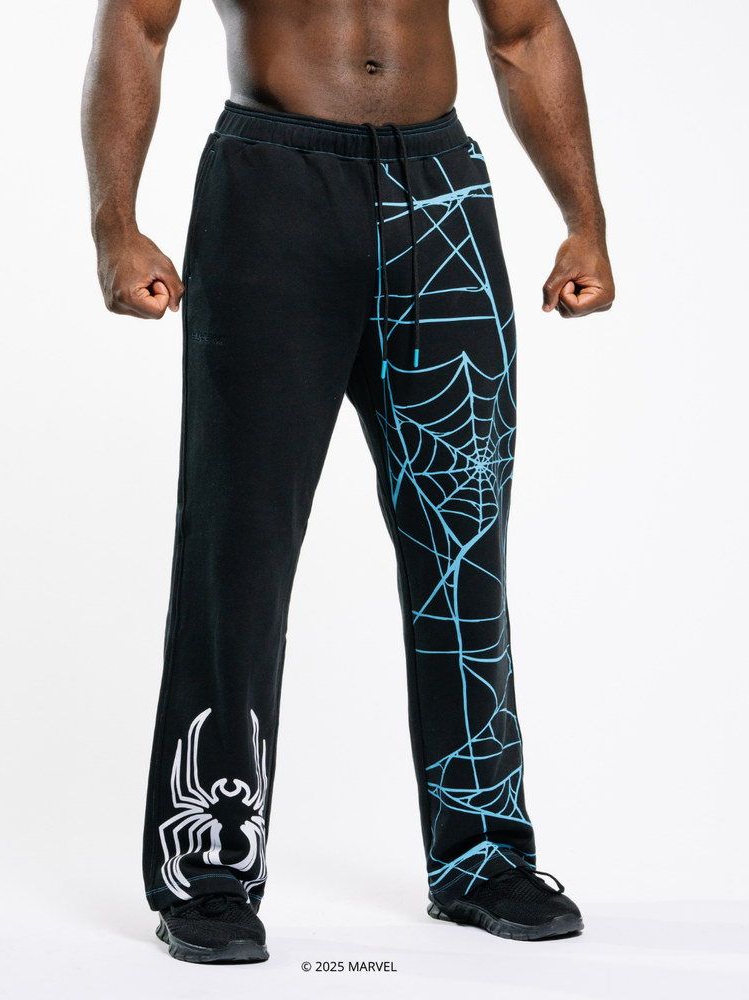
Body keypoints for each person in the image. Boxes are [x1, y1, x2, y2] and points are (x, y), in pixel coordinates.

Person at [82, 0, 615, 965]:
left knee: (463, 538)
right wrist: (114, 225)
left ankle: (484, 857)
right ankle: (209, 863)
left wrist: (585, 221)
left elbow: (526, 31)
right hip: (270, 186)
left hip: (440, 195)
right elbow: (136, 25)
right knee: (237, 547)